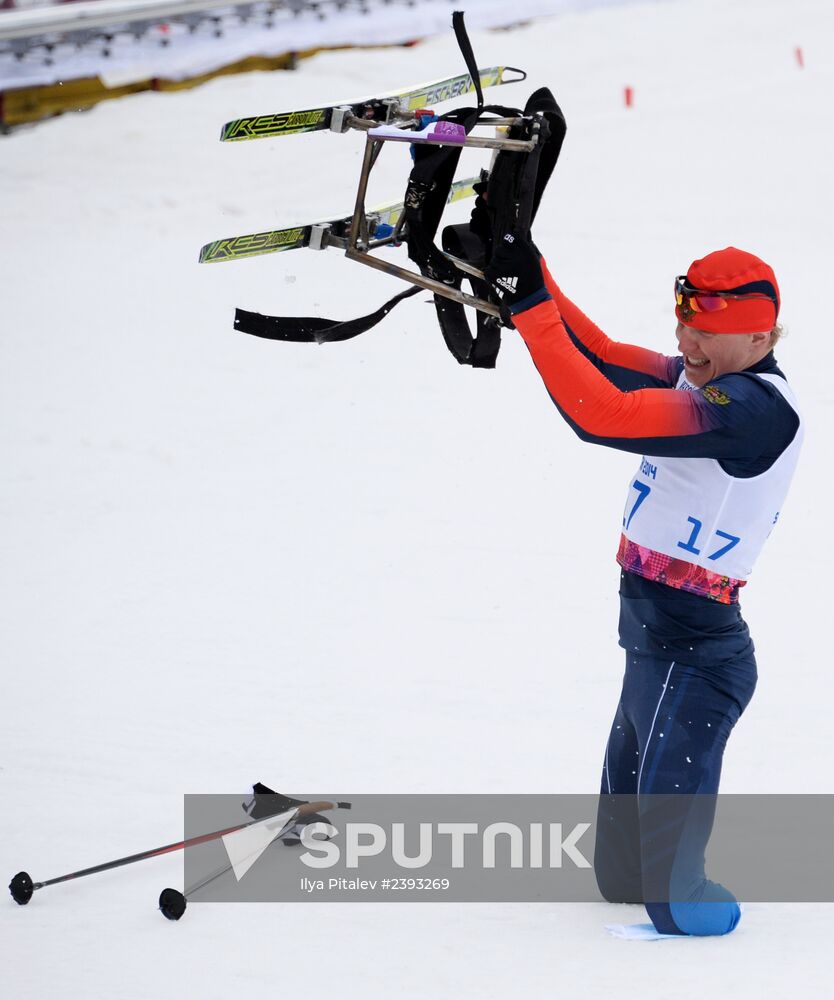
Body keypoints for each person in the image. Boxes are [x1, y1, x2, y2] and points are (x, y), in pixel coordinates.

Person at [484, 238, 803, 936]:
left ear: (760, 333)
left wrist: (534, 308)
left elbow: (604, 415)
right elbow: (594, 353)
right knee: (621, 878)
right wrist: (529, 275)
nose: (688, 341)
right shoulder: (701, 381)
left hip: (701, 660)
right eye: (684, 322)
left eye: (708, 332)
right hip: (650, 652)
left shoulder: (752, 410)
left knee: (674, 899)